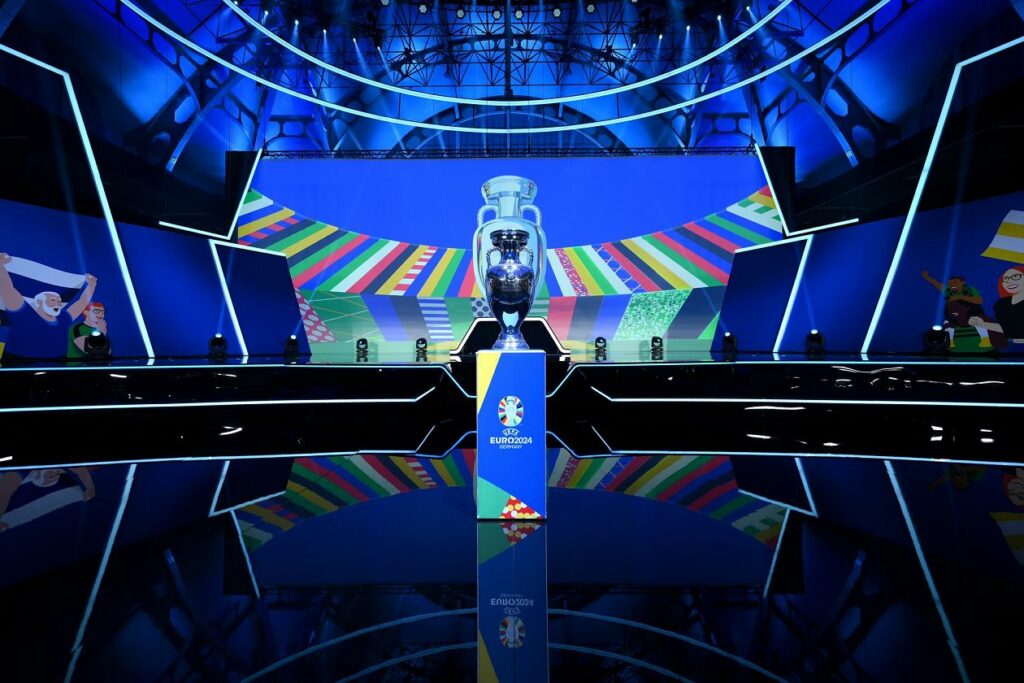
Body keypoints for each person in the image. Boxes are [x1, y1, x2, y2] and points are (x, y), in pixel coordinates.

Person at [0, 252, 98, 358]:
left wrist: (91, 285)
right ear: (39, 302)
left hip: (58, 364)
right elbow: (7, 288)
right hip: (20, 363)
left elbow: (81, 302)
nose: (57, 304)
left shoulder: (63, 318)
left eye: (59, 301)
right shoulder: (24, 312)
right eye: (53, 300)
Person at [0, 468, 96, 532]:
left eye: (55, 475)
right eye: (53, 476)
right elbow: (5, 491)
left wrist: (90, 488)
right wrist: (90, 488)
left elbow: (81, 471)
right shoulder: (16, 475)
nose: (55, 475)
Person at [969, 265, 1024, 344]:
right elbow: (1007, 329)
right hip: (1011, 344)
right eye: (1006, 279)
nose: (1009, 281)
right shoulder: (1001, 304)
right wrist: (981, 324)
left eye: (1015, 276)